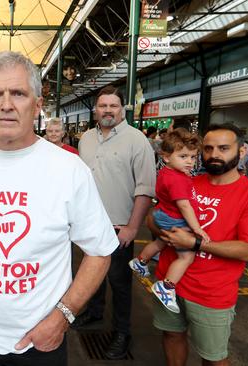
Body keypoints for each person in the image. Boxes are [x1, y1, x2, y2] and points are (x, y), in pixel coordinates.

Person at [0, 51, 118, 366]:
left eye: (17, 93)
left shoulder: (68, 169)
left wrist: (62, 317)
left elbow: (100, 252)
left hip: (42, 338)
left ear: (37, 103)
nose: (6, 104)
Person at [150, 123, 248, 366]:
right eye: (208, 148)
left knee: (214, 357)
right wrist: (161, 229)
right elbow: (152, 218)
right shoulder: (187, 182)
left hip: (211, 292)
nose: (214, 154)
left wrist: (194, 243)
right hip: (169, 283)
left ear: (241, 153)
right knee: (172, 335)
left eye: (223, 148)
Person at [75, 85, 156, 359]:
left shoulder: (137, 140)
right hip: (89, 225)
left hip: (119, 226)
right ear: (95, 109)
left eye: (113, 106)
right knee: (91, 274)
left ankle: (122, 332)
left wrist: (133, 227)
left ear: (122, 109)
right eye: (102, 106)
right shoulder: (85, 138)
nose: (107, 110)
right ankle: (94, 312)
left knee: (119, 282)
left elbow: (144, 188)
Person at [128, 129, 209, 313]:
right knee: (186, 256)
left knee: (160, 241)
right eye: (183, 156)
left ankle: (140, 261)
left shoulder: (167, 172)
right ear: (165, 157)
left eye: (192, 157)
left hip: (162, 213)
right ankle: (166, 286)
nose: (189, 161)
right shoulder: (177, 180)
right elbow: (185, 207)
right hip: (174, 218)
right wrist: (197, 229)